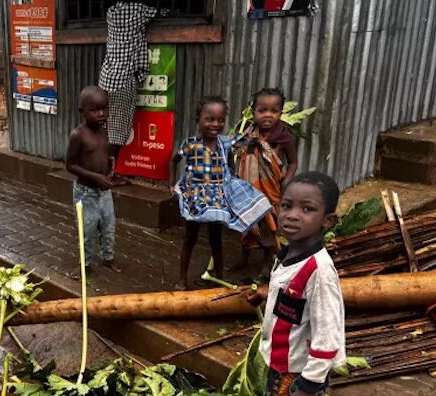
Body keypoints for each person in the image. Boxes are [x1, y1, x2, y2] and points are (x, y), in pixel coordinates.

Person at [240, 171, 345, 396]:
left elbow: (329, 338)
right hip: (286, 371)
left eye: (307, 209)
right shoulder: (290, 254)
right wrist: (265, 294)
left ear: (327, 221)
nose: (292, 215)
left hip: (298, 378)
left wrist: (306, 390)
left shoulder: (319, 273)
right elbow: (292, 303)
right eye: (286, 206)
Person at [170, 96, 271, 290]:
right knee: (190, 238)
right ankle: (182, 279)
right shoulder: (190, 144)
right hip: (195, 198)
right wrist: (171, 184)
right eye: (209, 119)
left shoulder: (225, 143)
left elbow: (244, 142)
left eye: (220, 120)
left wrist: (259, 120)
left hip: (217, 200)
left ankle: (219, 278)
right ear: (198, 119)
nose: (215, 124)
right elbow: (173, 161)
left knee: (216, 239)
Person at [234, 88, 299, 276]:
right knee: (246, 225)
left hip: (271, 190)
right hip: (248, 191)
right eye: (262, 110)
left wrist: (287, 181)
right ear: (253, 111)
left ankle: (266, 261)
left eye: (274, 111)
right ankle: (244, 258)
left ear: (280, 112)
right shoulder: (247, 134)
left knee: (269, 226)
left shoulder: (283, 138)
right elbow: (239, 155)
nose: (268, 115)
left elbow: (293, 162)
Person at [65, 86, 124, 273]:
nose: (101, 114)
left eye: (104, 109)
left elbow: (103, 154)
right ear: (82, 111)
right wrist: (95, 176)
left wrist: (110, 163)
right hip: (86, 193)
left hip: (104, 192)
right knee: (87, 231)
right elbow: (70, 165)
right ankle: (85, 265)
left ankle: (108, 258)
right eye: (95, 110)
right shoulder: (78, 135)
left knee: (108, 227)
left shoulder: (104, 131)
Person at [98, 0, 159, 160]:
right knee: (117, 133)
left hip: (106, 79)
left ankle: (101, 166)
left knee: (105, 128)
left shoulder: (111, 12)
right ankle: (107, 171)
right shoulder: (138, 9)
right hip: (123, 80)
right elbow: (157, 12)